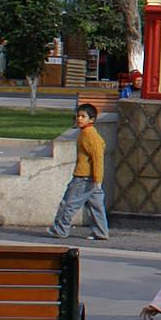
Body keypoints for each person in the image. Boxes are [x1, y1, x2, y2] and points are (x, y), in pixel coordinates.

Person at [46, 102, 109, 241]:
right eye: (78, 116)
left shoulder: (89, 135)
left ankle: (60, 230)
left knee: (69, 203)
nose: (79, 119)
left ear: (91, 120)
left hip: (84, 177)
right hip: (90, 178)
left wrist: (98, 179)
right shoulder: (86, 133)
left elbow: (98, 157)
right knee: (96, 206)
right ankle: (101, 231)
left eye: (83, 116)